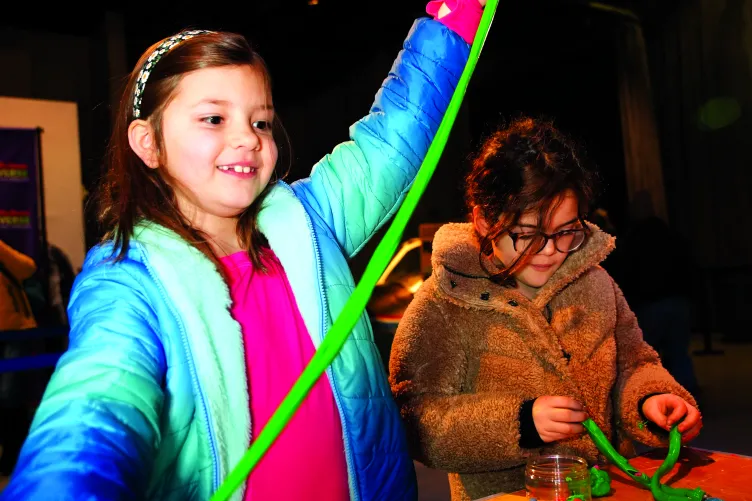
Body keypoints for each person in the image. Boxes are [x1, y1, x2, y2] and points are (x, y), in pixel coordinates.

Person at [0, 1, 486, 499]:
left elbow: (394, 135)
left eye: (260, 122)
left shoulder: (309, 220)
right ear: (148, 144)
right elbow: (98, 400)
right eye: (213, 118)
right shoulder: (128, 278)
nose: (247, 139)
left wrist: (454, 17)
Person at [389, 117, 702, 500]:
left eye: (567, 231)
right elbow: (416, 421)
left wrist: (650, 399)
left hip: (609, 489)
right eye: (528, 234)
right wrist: (521, 423)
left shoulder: (595, 283)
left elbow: (634, 363)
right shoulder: (443, 304)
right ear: (484, 219)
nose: (551, 250)